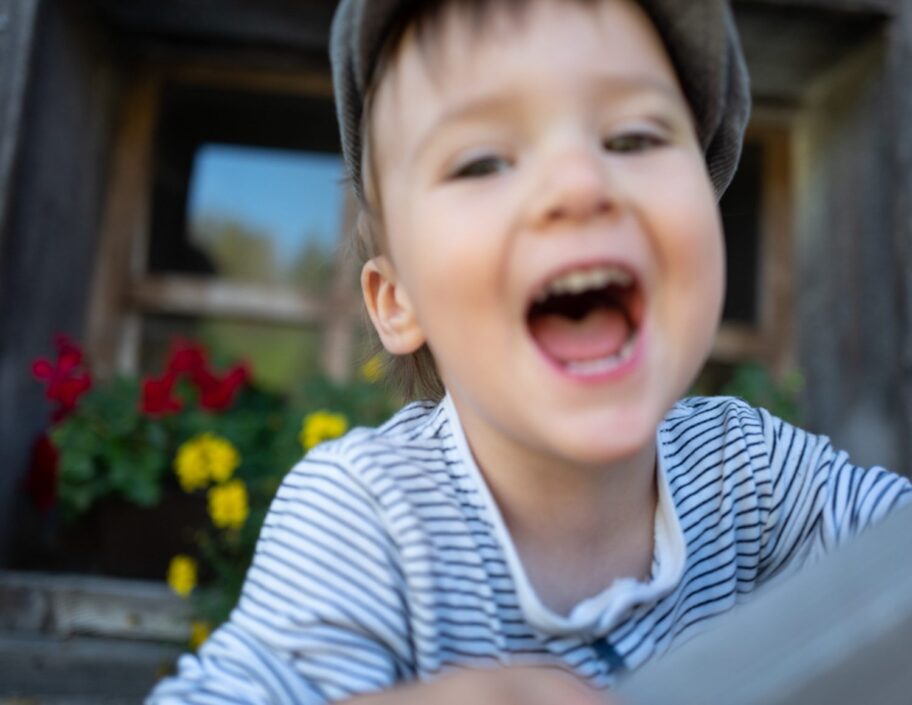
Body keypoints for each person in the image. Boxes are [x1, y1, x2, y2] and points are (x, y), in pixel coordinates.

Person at [147, 1, 912, 703]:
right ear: (397, 300)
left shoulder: (748, 472)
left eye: (633, 138)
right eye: (482, 161)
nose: (579, 183)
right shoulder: (371, 516)